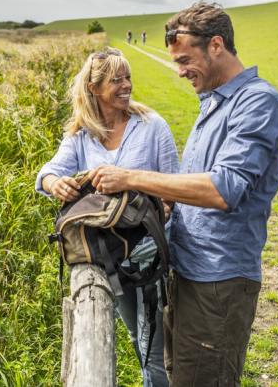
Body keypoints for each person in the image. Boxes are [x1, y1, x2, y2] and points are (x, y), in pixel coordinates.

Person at [90, 2, 278, 387]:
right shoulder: (214, 101)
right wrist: (168, 207)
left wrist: (132, 178)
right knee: (180, 373)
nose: (180, 71)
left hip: (218, 280)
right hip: (186, 271)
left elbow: (224, 188)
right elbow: (197, 183)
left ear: (216, 45)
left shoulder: (257, 103)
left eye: (185, 60)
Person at [36, 47, 178, 387]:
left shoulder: (152, 126)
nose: (126, 85)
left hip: (148, 256)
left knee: (151, 348)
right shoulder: (81, 134)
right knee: (137, 336)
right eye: (116, 80)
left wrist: (163, 207)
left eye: (128, 77)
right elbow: (47, 173)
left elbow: (175, 186)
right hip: (109, 257)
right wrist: (56, 184)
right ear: (94, 88)